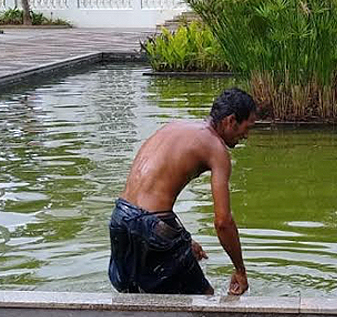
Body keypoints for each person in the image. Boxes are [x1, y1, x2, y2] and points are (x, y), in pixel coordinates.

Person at [109, 87, 258, 296]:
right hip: (150, 225)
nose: (247, 135)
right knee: (204, 298)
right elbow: (223, 222)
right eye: (247, 127)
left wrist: (184, 240)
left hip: (120, 218)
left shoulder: (176, 126)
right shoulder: (216, 149)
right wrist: (240, 271)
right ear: (231, 120)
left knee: (135, 294)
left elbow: (148, 198)